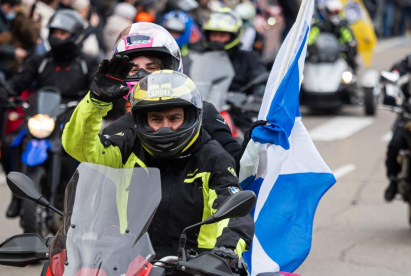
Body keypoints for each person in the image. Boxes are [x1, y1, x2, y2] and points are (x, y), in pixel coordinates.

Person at [61, 55, 255, 260]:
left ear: (190, 116)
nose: (165, 127)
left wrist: (227, 249)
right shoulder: (128, 147)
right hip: (129, 264)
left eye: (174, 118)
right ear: (142, 120)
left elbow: (233, 210)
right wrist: (96, 102)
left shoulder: (212, 157)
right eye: (155, 119)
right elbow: (80, 148)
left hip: (196, 267)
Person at [0, 9, 98, 218]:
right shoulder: (39, 60)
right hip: (42, 115)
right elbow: (18, 82)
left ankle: (80, 201)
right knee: (9, 143)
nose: (57, 37)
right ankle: (17, 197)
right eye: (55, 32)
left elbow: (96, 89)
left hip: (72, 117)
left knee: (86, 154)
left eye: (63, 33)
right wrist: (5, 92)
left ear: (76, 35)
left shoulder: (87, 62)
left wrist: (94, 100)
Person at [101, 22, 241, 162]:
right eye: (134, 70)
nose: (143, 76)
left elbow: (235, 164)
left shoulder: (203, 113)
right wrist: (95, 101)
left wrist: (252, 146)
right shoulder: (115, 130)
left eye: (151, 68)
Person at [201, 8, 267, 95]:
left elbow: (260, 79)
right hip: (202, 104)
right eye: (213, 34)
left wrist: (257, 96)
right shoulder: (198, 56)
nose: (217, 39)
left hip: (236, 107)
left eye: (222, 35)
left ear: (234, 35)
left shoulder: (248, 58)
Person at [384, 55, 411, 201]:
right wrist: (390, 95)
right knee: (395, 144)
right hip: (410, 116)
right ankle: (393, 181)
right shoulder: (410, 61)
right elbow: (394, 75)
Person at [308, 0, 358, 71]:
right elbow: (311, 36)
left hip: (339, 54)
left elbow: (348, 37)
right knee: (307, 60)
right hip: (321, 55)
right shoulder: (320, 24)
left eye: (336, 12)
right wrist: (309, 45)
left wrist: (350, 43)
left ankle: (353, 74)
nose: (334, 15)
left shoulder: (342, 24)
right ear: (327, 12)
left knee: (351, 58)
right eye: (331, 13)